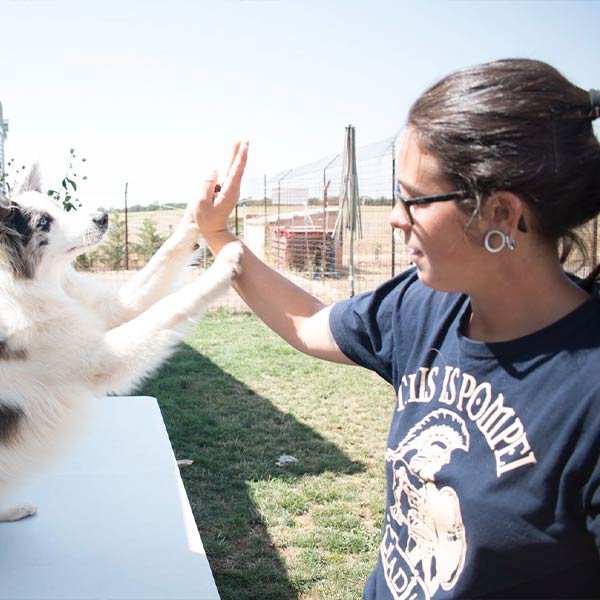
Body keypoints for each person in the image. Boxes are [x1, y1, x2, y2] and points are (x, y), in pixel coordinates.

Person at [193, 59, 600, 599]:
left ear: (501, 213)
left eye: (414, 198)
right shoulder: (425, 305)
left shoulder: (587, 396)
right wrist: (220, 237)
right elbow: (311, 324)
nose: (394, 216)